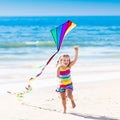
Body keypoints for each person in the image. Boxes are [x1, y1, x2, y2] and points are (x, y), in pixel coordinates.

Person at [56, 46, 79, 113]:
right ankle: (64, 109)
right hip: (62, 84)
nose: (66, 61)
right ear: (61, 60)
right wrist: (60, 78)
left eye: (68, 60)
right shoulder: (59, 68)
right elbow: (57, 75)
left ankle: (72, 100)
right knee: (63, 98)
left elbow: (75, 60)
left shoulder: (69, 66)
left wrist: (76, 51)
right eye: (64, 60)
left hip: (69, 83)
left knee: (69, 95)